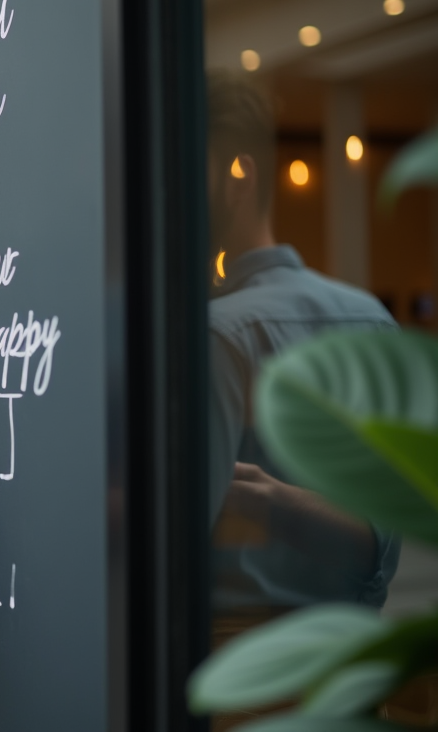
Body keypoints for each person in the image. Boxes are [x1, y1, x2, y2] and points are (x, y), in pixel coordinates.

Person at [205, 71, 401, 729]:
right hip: (353, 665)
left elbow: (178, 539)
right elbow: (386, 539)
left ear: (238, 174)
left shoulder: (217, 331)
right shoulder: (371, 317)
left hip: (238, 677)